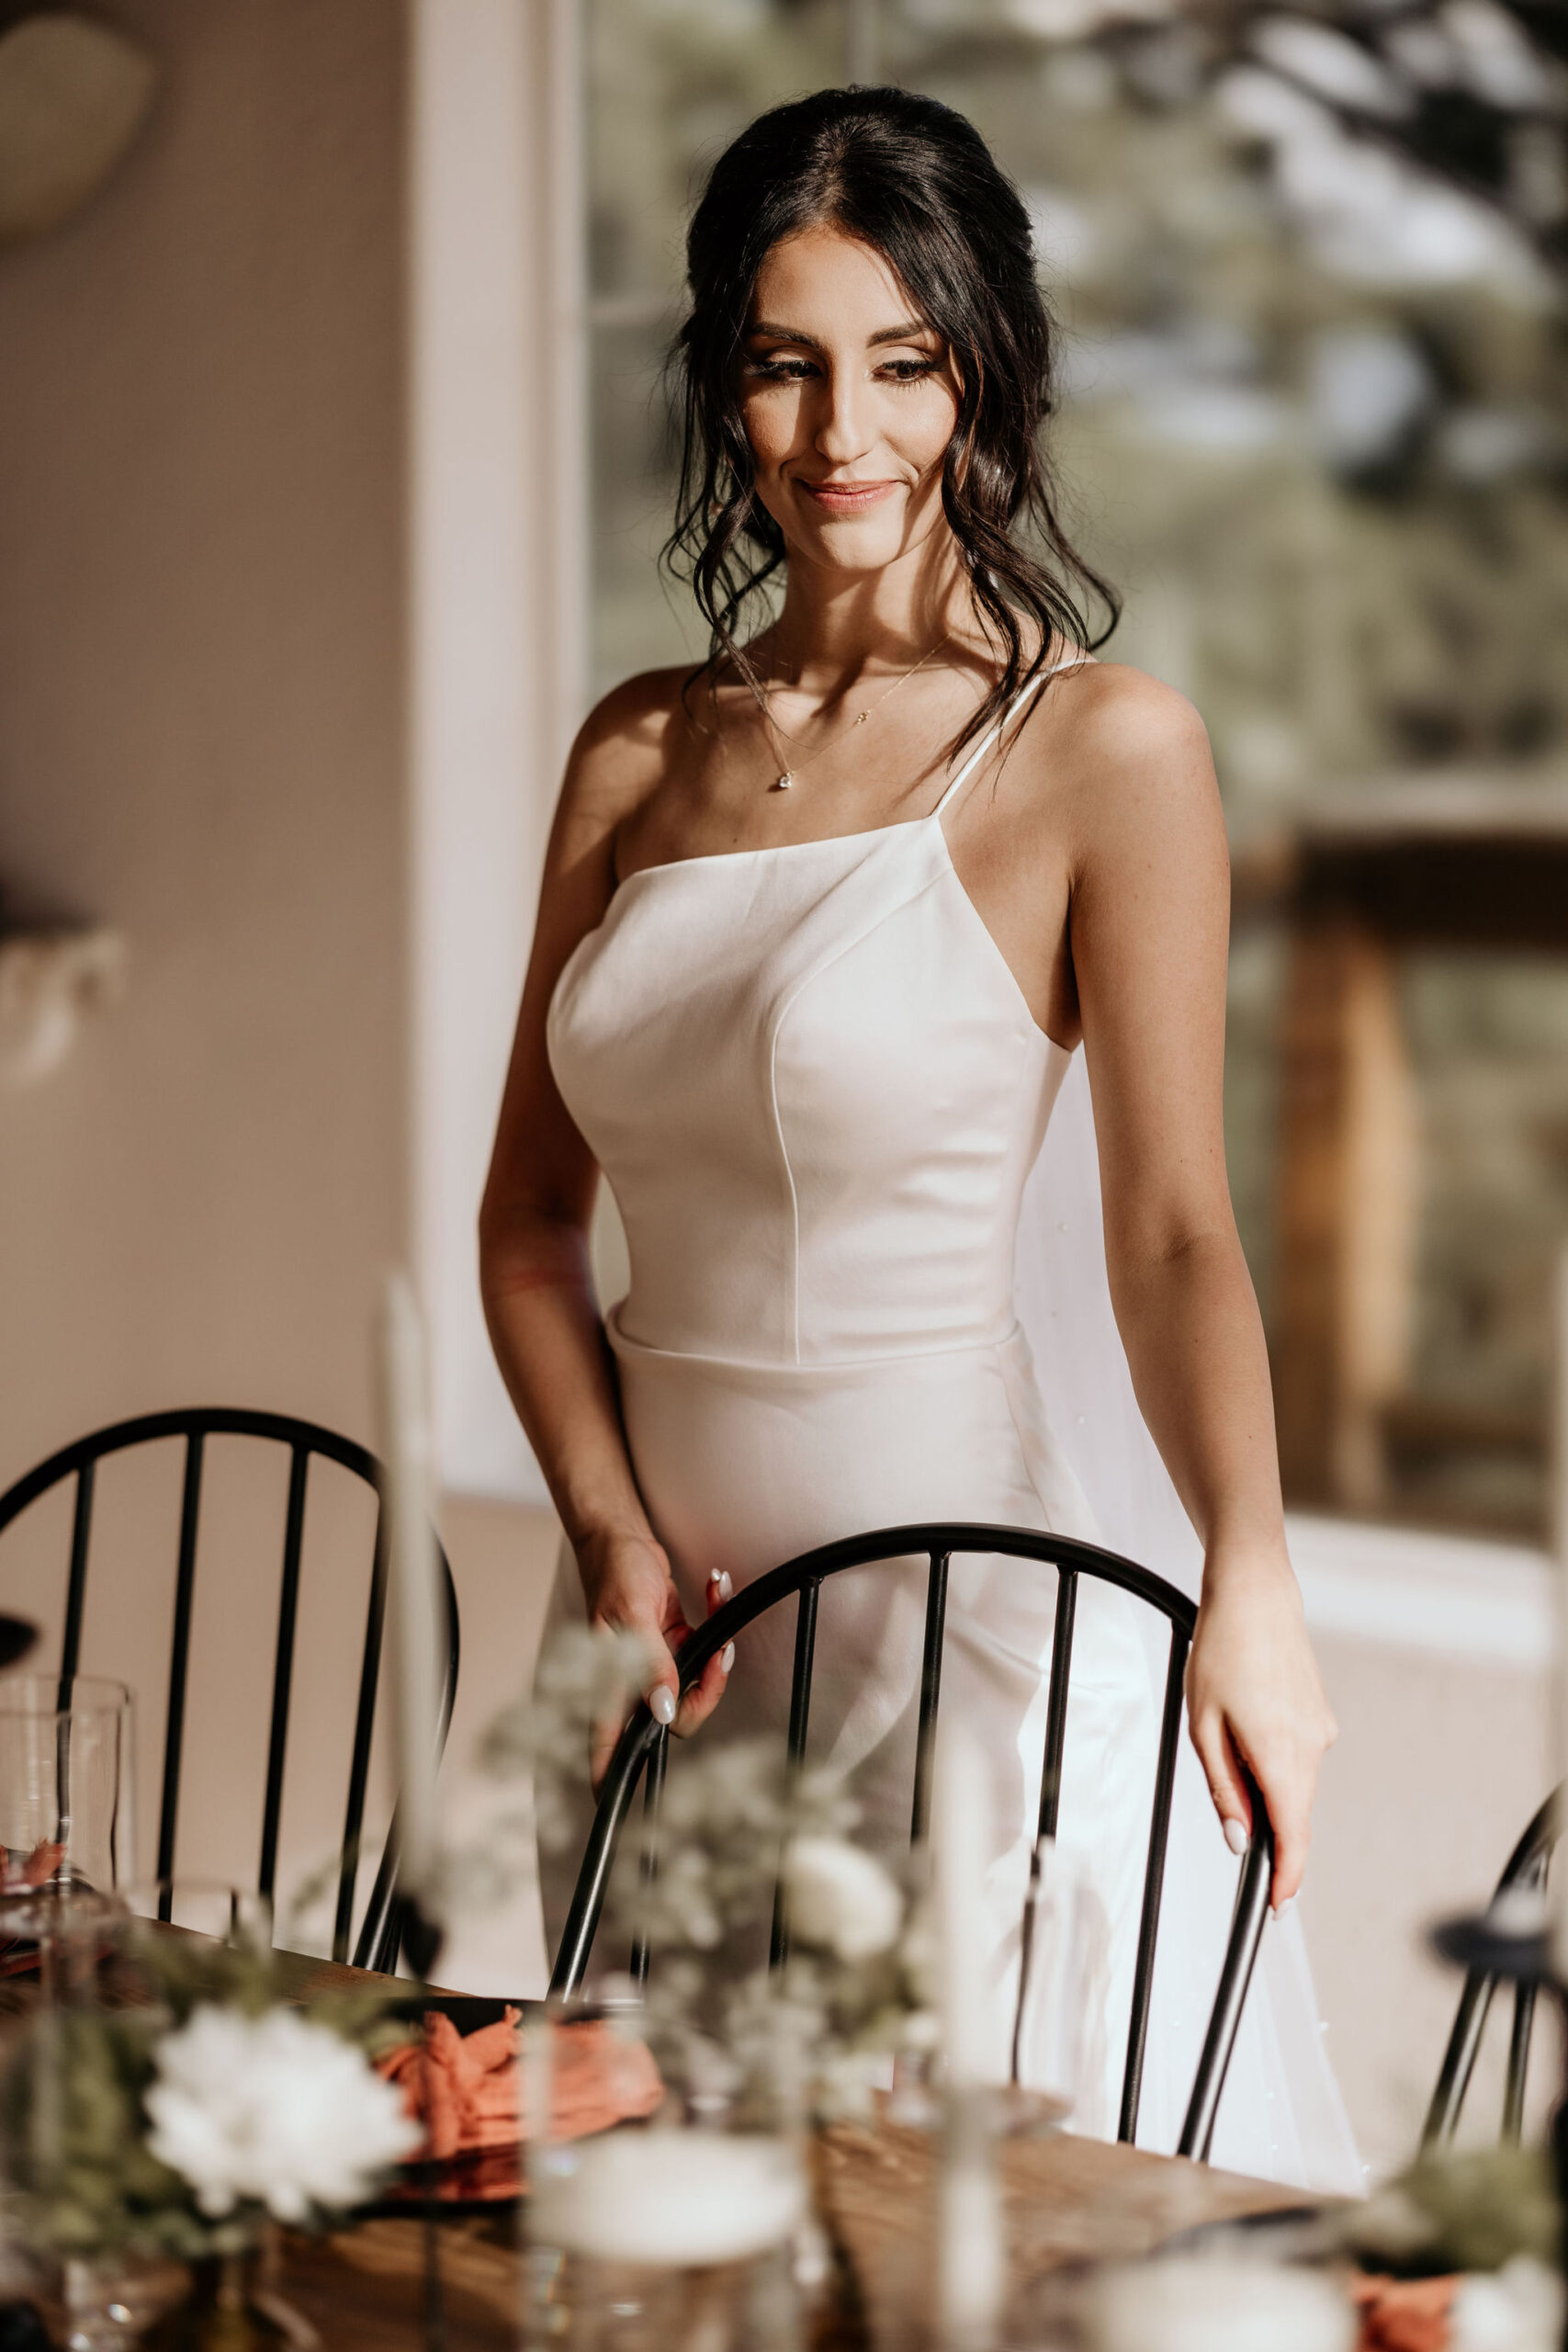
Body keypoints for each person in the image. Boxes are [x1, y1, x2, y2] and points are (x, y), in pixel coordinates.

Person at [480, 85, 1359, 2188]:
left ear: (984, 375)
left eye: (900, 361)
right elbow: (527, 1220)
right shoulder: (634, 749)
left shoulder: (1101, 754)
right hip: (651, 1666)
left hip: (962, 1647)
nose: (837, 431)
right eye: (782, 363)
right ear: (722, 385)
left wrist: (1249, 1574)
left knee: (958, 2248)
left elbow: (1167, 1236)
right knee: (668, 2241)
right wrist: (606, 1537)